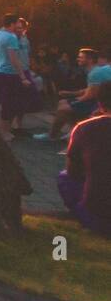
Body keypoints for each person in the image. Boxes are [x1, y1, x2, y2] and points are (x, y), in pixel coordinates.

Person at [57, 81, 111, 236]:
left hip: (98, 212)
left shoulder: (84, 128)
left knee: (64, 177)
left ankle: (82, 215)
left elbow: (72, 170)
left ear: (99, 103)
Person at [36, 48, 111, 143]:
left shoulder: (95, 73)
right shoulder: (94, 71)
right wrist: (70, 94)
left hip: (99, 103)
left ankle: (52, 135)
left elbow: (90, 95)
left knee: (64, 108)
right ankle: (72, 131)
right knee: (64, 103)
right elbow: (90, 89)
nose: (77, 59)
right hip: (97, 100)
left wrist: (74, 101)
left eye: (81, 57)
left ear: (90, 60)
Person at [0, 13, 37, 136]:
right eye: (17, 24)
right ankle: (4, 132)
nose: (18, 27)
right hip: (9, 73)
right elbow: (14, 59)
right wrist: (23, 77)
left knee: (7, 102)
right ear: (12, 24)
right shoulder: (11, 37)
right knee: (10, 104)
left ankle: (6, 131)